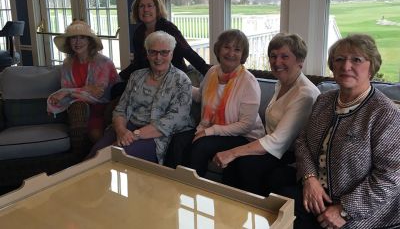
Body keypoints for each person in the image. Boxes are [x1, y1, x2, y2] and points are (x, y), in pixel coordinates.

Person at [292, 34, 400, 228]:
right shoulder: (324, 101)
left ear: (371, 68)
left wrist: (344, 209)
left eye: (356, 60)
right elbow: (302, 142)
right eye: (339, 59)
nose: (346, 66)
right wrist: (310, 178)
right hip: (318, 196)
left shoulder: (385, 114)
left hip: (365, 212)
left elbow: (390, 176)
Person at [212, 33, 320, 195]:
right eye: (273, 56)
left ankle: (250, 213)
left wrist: (232, 152)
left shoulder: (305, 94)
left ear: (300, 60)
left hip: (295, 158)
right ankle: (228, 210)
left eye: (284, 56)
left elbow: (278, 140)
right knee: (235, 163)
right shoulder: (281, 83)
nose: (277, 62)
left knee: (245, 165)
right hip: (276, 150)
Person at [87, 31, 194, 164]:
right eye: (153, 52)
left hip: (156, 135)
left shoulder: (181, 80)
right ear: (147, 54)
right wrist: (121, 131)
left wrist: (135, 135)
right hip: (127, 128)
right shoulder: (136, 76)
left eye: (164, 52)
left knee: (117, 156)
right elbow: (121, 108)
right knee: (97, 152)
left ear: (172, 53)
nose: (158, 57)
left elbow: (175, 120)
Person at [188, 29, 266, 177]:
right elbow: (199, 96)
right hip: (214, 130)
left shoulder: (248, 82)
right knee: (181, 139)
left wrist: (209, 131)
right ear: (218, 49)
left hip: (245, 137)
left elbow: (246, 125)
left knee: (201, 146)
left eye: (237, 49)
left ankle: (194, 190)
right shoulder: (212, 72)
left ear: (243, 55)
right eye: (226, 47)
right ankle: (175, 185)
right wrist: (182, 84)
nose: (231, 53)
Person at [113, 0, 210, 97]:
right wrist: (118, 76)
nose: (146, 9)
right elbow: (138, 63)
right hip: (150, 76)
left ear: (157, 9)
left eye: (150, 6)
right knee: (116, 89)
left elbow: (187, 52)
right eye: (141, 6)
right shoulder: (139, 32)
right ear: (137, 10)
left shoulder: (168, 28)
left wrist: (208, 72)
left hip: (172, 76)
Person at [47, 20, 119, 143]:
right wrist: (68, 92)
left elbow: (97, 93)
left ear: (89, 41)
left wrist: (66, 92)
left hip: (103, 108)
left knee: (95, 135)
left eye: (82, 38)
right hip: (77, 109)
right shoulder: (67, 63)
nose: (78, 42)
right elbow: (66, 89)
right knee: (78, 111)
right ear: (69, 42)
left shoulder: (104, 63)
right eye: (73, 38)